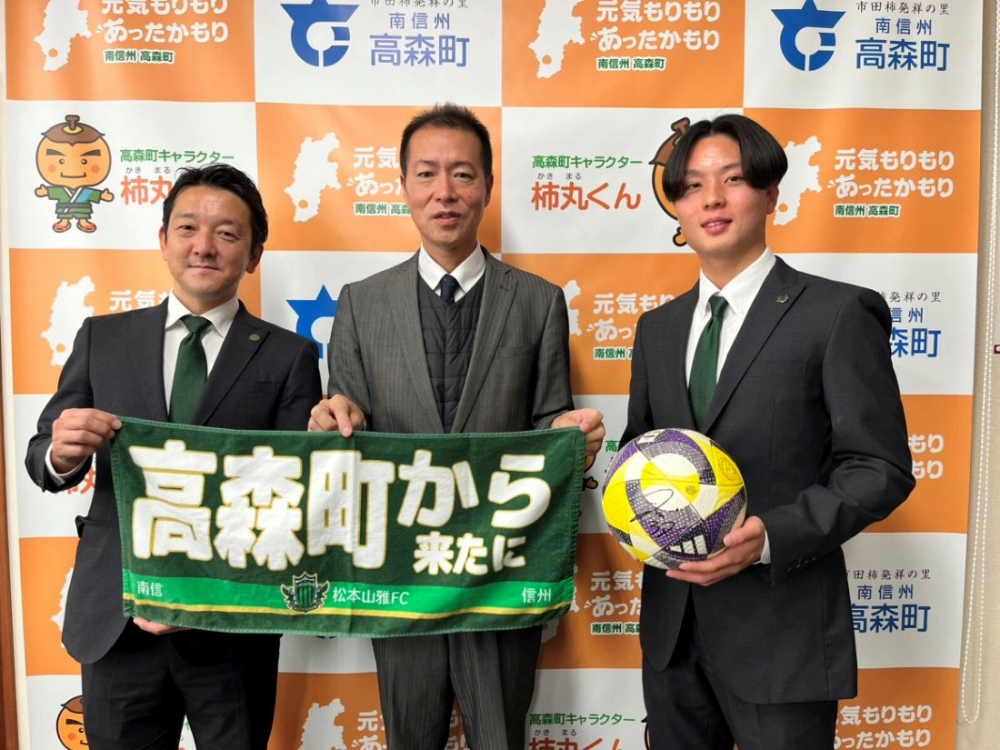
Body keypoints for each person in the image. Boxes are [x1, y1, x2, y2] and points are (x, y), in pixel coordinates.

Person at [309, 103, 605, 750]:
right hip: (400, 575)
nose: (444, 191)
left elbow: (548, 425)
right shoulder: (361, 302)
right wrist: (332, 418)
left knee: (500, 738)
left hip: (500, 572)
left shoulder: (537, 301)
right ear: (403, 186)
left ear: (488, 188)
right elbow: (345, 422)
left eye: (463, 174)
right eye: (427, 174)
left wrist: (572, 437)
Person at [622, 114, 915, 749]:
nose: (712, 199)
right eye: (692, 186)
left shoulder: (836, 312)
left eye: (732, 180)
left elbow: (879, 468)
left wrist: (770, 537)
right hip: (672, 634)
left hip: (783, 633)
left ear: (771, 194)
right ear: (677, 206)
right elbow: (639, 450)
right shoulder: (657, 329)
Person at [25, 163, 322, 750]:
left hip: (231, 627)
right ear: (163, 241)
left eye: (227, 233)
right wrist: (61, 454)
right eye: (187, 228)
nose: (203, 246)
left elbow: (296, 495)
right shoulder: (102, 337)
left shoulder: (288, 356)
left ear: (254, 255)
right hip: (117, 621)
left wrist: (202, 594)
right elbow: (44, 457)